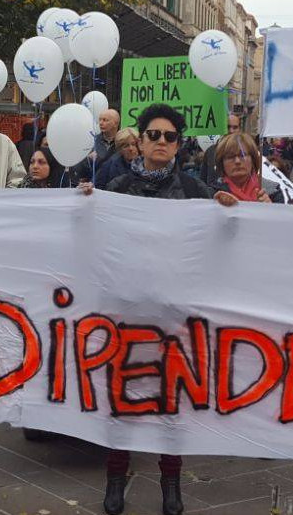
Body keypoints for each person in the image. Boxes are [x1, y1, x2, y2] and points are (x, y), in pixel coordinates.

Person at [78, 104, 234, 515]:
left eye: (169, 137)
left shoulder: (196, 190)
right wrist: (85, 205)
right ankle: (116, 476)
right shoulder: (119, 189)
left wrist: (227, 212)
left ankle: (171, 483)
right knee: (119, 398)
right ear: (141, 141)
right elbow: (94, 237)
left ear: (179, 146)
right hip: (125, 312)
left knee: (171, 403)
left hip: (173, 316)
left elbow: (222, 242)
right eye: (154, 135)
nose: (161, 142)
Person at [211, 132, 282, 203]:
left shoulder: (273, 192)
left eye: (243, 155)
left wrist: (271, 209)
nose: (237, 161)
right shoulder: (211, 193)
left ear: (253, 159)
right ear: (221, 162)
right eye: (230, 157)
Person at [75, 109, 122, 181]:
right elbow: (79, 170)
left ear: (115, 123)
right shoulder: (91, 142)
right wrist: (88, 159)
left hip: (116, 187)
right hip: (95, 187)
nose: (101, 123)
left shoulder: (123, 142)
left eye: (105, 120)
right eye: (100, 120)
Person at [199, 114, 241, 184]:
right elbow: (202, 183)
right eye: (228, 127)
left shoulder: (245, 153)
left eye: (235, 127)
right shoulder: (211, 152)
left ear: (239, 129)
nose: (231, 131)